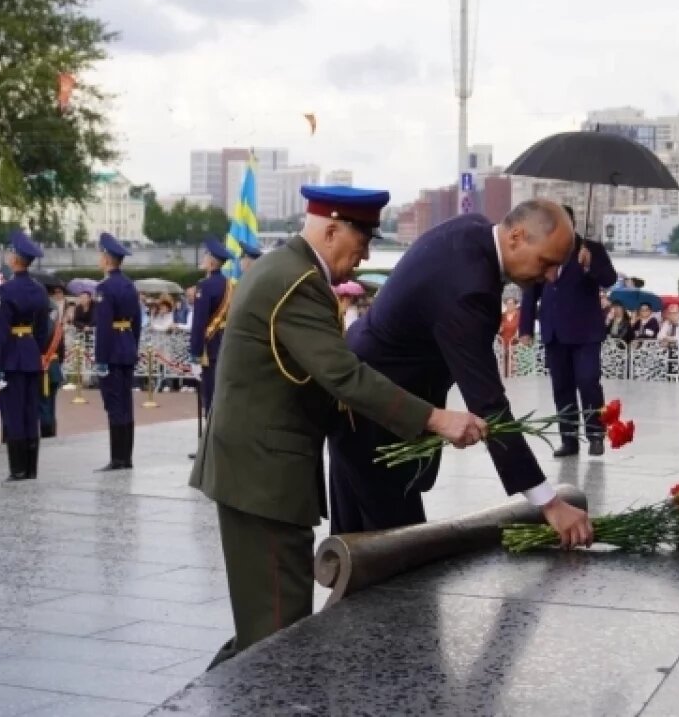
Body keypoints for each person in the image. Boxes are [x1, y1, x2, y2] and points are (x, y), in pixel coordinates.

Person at [189, 185, 489, 668]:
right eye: (362, 241)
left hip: (256, 471)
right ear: (331, 229)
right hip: (262, 479)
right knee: (275, 636)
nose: (364, 255)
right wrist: (436, 419)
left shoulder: (284, 269)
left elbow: (318, 381)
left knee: (266, 627)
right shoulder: (299, 281)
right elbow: (343, 376)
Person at [328, 199, 597, 541]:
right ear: (516, 237)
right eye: (546, 263)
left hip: (367, 399)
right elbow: (489, 405)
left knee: (355, 541)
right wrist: (550, 504)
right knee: (390, 553)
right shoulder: (468, 290)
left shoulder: (475, 229)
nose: (550, 277)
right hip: (375, 418)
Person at [519, 204, 617, 456]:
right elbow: (530, 290)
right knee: (562, 387)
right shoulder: (542, 249)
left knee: (588, 382)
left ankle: (595, 434)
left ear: (570, 224)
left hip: (585, 332)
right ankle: (569, 439)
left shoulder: (590, 249)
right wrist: (526, 328)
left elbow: (609, 279)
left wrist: (589, 266)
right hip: (554, 331)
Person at [0, 230, 50, 481]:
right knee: (29, 413)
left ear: (14, 259)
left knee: (14, 415)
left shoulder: (6, 291)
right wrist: (37, 350)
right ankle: (31, 468)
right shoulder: (39, 290)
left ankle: (18, 469)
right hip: (31, 354)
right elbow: (43, 330)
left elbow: (0, 333)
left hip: (12, 356)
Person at [93, 233, 141, 471]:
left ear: (107, 258)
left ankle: (117, 458)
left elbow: (103, 326)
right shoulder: (130, 285)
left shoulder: (105, 288)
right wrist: (134, 346)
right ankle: (126, 456)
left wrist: (100, 359)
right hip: (127, 347)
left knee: (114, 405)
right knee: (126, 403)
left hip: (111, 350)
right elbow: (137, 322)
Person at [189, 237, 232, 415]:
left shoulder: (204, 286)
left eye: (206, 255)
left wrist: (195, 354)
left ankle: (210, 439)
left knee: (210, 396)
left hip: (210, 346)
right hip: (225, 343)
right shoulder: (229, 284)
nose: (203, 258)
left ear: (212, 261)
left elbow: (199, 323)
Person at [38, 276, 67, 440]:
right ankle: (50, 432)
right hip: (54, 366)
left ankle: (46, 431)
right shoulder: (56, 322)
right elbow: (61, 347)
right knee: (50, 404)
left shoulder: (41, 318)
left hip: (42, 366)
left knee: (42, 404)